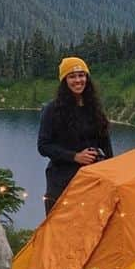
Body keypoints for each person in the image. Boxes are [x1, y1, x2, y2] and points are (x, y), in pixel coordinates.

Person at [38, 56, 113, 214]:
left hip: (91, 180)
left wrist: (111, 171)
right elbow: (44, 146)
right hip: (61, 182)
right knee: (60, 230)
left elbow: (106, 144)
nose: (78, 80)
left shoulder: (94, 108)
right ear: (64, 80)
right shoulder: (52, 109)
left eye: (82, 75)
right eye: (72, 76)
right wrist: (74, 156)